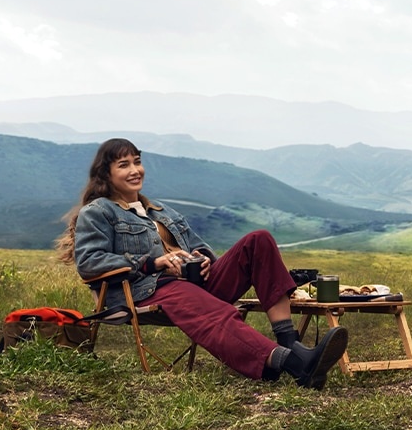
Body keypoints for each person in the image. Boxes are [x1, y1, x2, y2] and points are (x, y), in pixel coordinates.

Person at [56, 138, 347, 388]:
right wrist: (153, 263)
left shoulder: (161, 210)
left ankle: (290, 342)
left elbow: (198, 246)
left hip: (193, 283)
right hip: (146, 290)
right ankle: (294, 364)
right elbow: (90, 262)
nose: (135, 170)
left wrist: (203, 260)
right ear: (106, 174)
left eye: (137, 162)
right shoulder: (99, 212)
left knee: (259, 240)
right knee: (209, 307)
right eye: (124, 165)